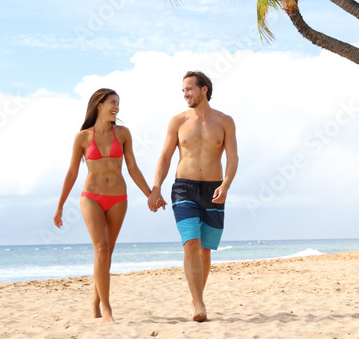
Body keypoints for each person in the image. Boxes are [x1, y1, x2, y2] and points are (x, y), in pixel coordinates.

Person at [54, 88, 154, 323]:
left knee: (108, 253)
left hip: (118, 198)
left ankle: (95, 301)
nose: (116, 107)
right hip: (91, 197)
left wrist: (150, 194)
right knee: (101, 249)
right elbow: (72, 172)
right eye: (112, 102)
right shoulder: (82, 137)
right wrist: (59, 206)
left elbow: (132, 168)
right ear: (99, 104)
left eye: (118, 103)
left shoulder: (123, 134)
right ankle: (107, 308)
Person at [148, 71, 238, 322]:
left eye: (189, 89)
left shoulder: (225, 121)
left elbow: (233, 158)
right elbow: (165, 158)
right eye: (183, 91)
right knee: (191, 243)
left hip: (213, 190)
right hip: (183, 188)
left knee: (205, 250)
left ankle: (195, 296)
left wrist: (226, 184)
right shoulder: (178, 121)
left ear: (204, 89)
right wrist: (156, 187)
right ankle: (199, 303)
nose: (185, 94)